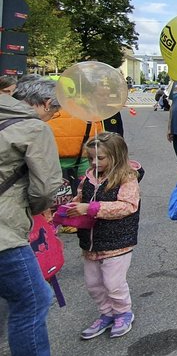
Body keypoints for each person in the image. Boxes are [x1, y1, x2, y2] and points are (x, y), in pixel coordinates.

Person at [0, 76, 62, 356]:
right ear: (46, 103)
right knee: (34, 299)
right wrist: (37, 209)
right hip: (5, 230)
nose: (53, 118)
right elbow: (45, 187)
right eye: (54, 112)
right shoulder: (33, 129)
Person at [66, 133, 142, 340]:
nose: (94, 162)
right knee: (93, 284)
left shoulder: (127, 178)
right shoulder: (89, 177)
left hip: (118, 241)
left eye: (100, 158)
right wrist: (70, 208)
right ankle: (106, 313)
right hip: (90, 242)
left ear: (116, 156)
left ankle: (123, 312)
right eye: (91, 158)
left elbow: (128, 206)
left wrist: (90, 208)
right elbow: (80, 198)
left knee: (113, 283)